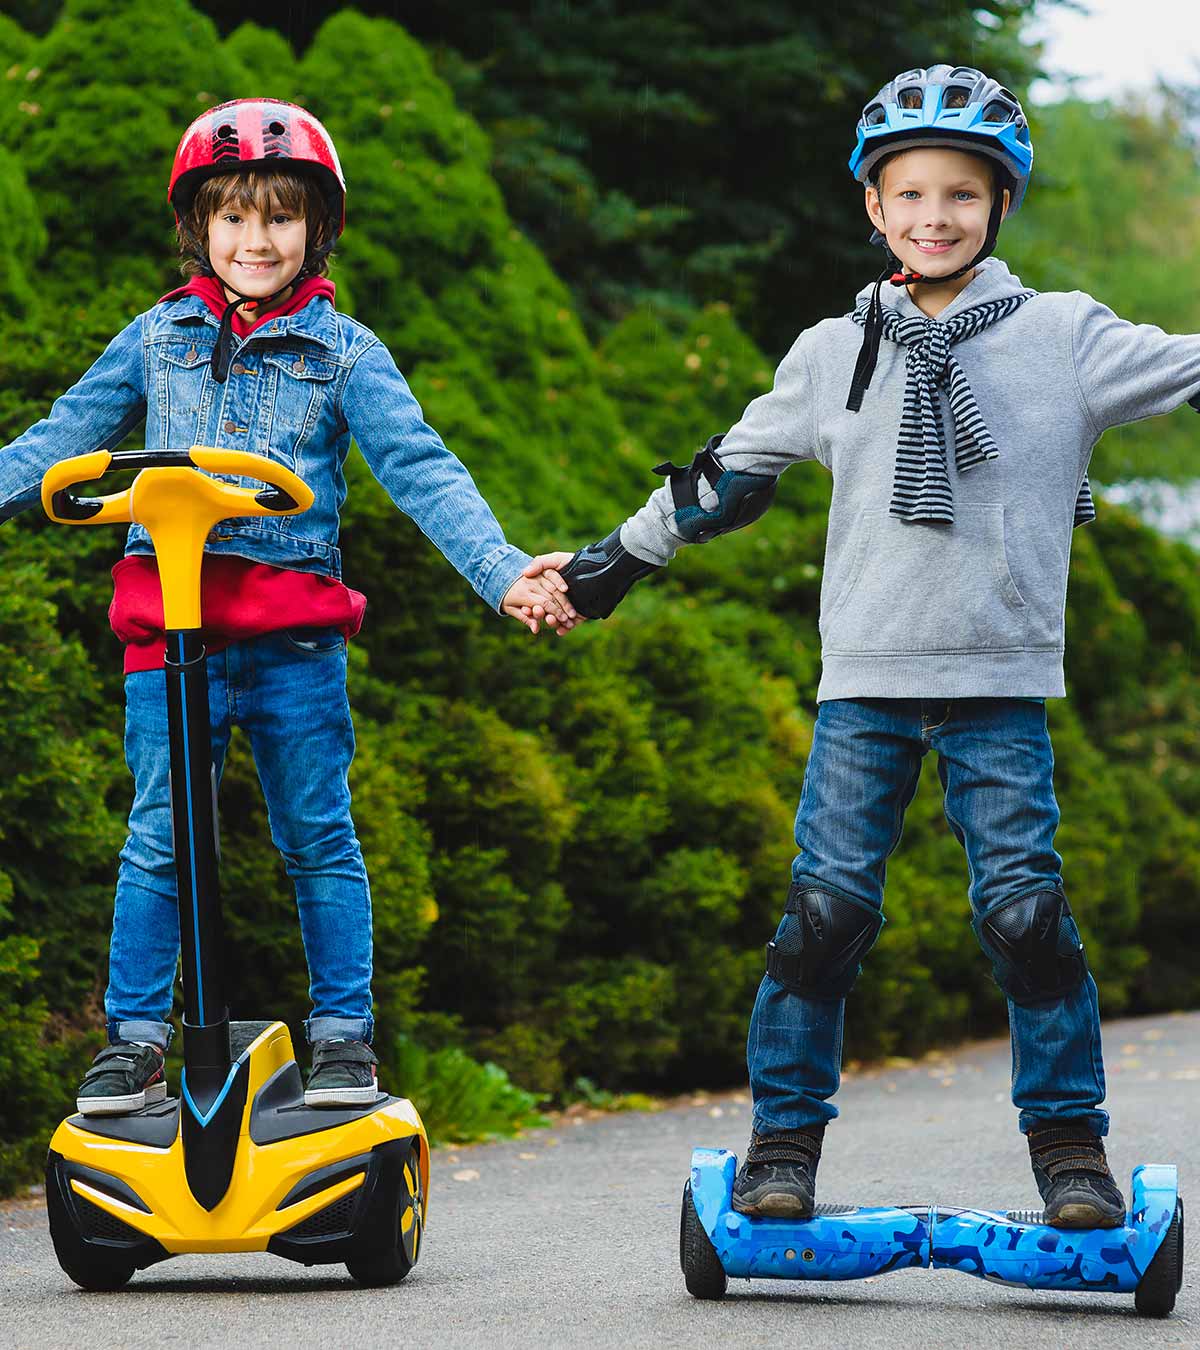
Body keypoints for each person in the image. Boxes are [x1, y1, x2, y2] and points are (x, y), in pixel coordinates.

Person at [526, 64, 1200, 1228]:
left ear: (1000, 207)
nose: (935, 217)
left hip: (1000, 688)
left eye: (962, 196)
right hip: (865, 692)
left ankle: (1071, 1155)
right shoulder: (833, 349)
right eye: (911, 194)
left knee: (1025, 919)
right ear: (874, 208)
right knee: (824, 919)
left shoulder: (1064, 338)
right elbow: (724, 482)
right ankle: (782, 1147)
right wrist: (605, 569)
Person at [0, 97, 575, 1114]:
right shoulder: (154, 337)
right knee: (158, 836)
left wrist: (502, 569)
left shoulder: (345, 352)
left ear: (316, 226)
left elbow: (422, 469)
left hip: (292, 638)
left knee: (316, 830)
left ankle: (344, 1038)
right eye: (231, 217)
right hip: (167, 631)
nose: (254, 239)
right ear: (196, 229)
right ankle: (133, 1041)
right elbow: (59, 437)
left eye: (277, 216)